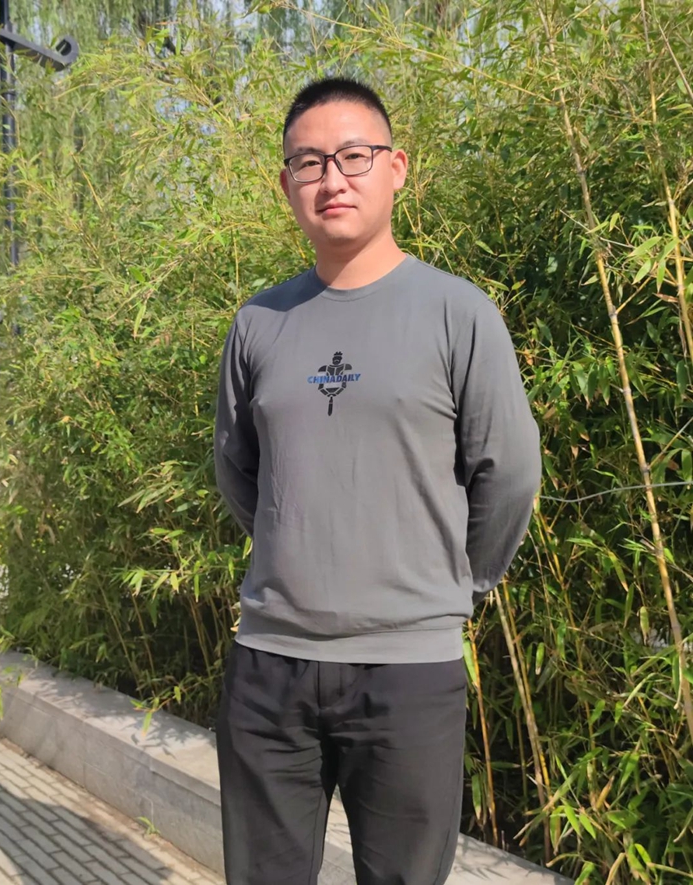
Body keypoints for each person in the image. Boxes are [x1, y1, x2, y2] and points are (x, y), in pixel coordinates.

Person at [213, 76, 542, 885]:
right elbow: (240, 470)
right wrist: (298, 548)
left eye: (353, 156)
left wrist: (451, 587)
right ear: (285, 183)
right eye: (309, 162)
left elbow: (507, 475)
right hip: (269, 664)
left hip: (409, 672)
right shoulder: (258, 323)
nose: (331, 178)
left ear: (396, 167)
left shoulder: (458, 313)